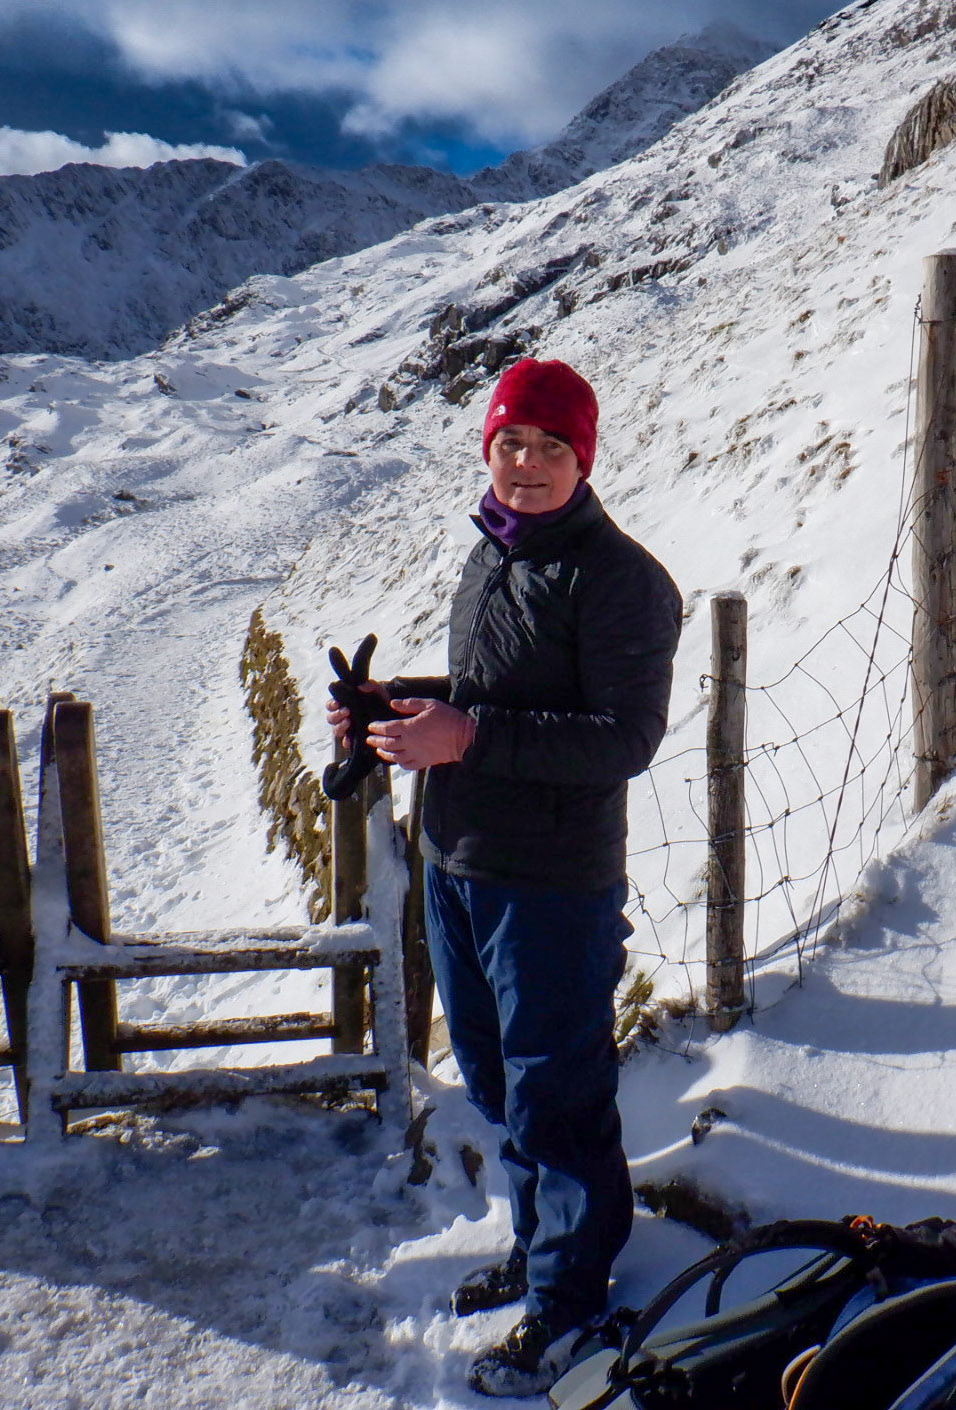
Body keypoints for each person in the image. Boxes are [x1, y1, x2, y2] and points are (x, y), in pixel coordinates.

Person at [326, 357, 682, 1397]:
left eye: (551, 448)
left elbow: (623, 738)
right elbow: (484, 694)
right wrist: (397, 708)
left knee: (556, 1095)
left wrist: (467, 735)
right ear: (487, 451)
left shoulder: (620, 581)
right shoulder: (491, 553)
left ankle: (572, 1305)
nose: (527, 466)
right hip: (458, 862)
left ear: (585, 459)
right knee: (494, 1084)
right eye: (511, 444)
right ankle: (540, 1250)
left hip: (550, 885)